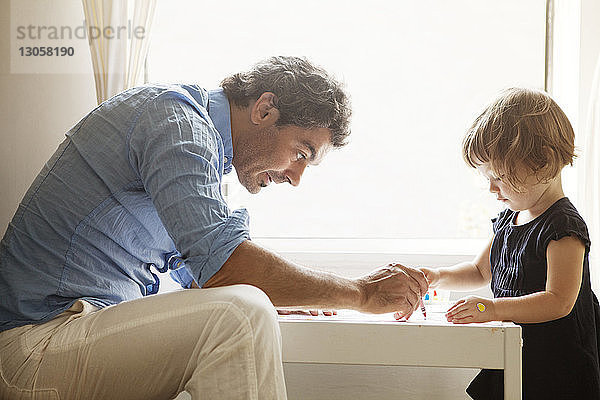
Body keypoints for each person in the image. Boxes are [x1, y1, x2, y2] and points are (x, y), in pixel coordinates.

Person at [0, 56, 428, 400]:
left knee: (247, 305)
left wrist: (278, 292)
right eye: (301, 153)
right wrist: (362, 294)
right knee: (240, 314)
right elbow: (226, 268)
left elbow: (205, 276)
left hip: (69, 335)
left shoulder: (199, 159)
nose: (295, 178)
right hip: (34, 345)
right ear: (264, 110)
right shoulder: (177, 125)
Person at [420, 88, 600, 399]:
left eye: (499, 176)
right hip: (516, 349)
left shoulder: (563, 227)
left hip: (558, 363)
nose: (491, 187)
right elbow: (479, 271)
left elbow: (559, 300)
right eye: (486, 177)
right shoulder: (509, 217)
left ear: (542, 163)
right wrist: (438, 276)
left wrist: (490, 308)